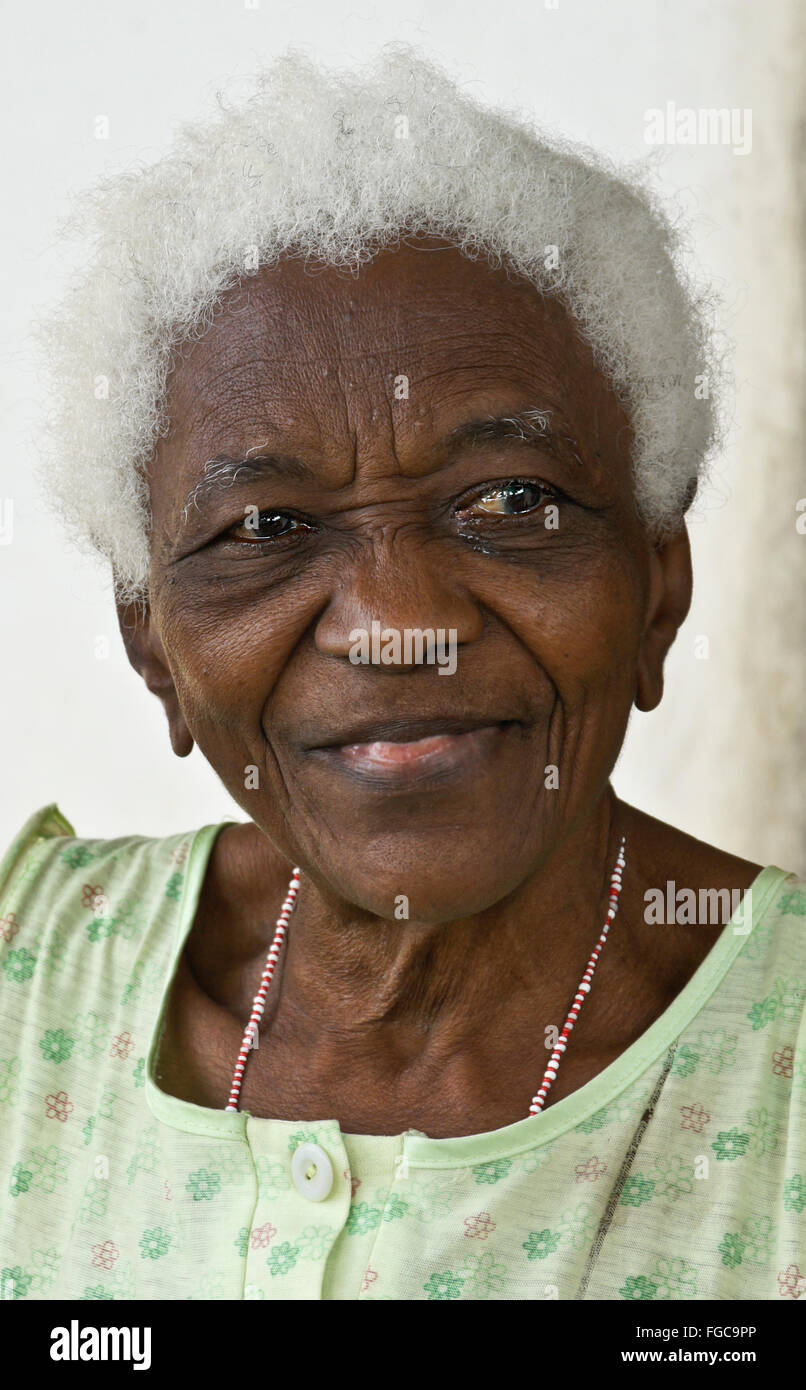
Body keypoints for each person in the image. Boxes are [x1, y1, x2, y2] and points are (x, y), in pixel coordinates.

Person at [1, 46, 804, 1302]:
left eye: (510, 502)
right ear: (150, 643)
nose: (395, 623)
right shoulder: (25, 969)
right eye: (266, 527)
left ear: (658, 588)